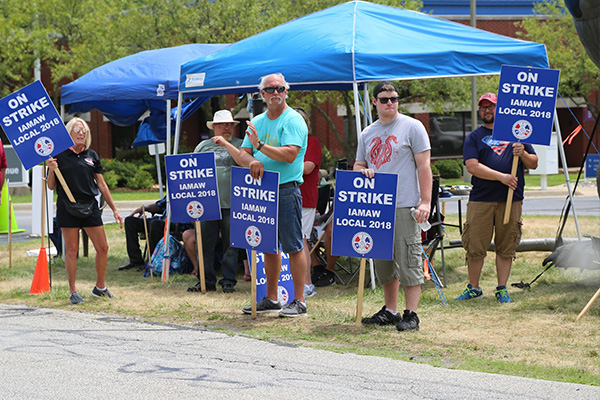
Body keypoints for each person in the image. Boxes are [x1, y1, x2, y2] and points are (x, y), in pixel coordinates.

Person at [355, 81, 432, 331]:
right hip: (377, 207)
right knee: (383, 262)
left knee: (409, 259)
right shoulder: (367, 133)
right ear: (374, 101)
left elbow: (424, 166)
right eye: (385, 99)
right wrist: (362, 170)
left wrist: (426, 201)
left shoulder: (413, 126)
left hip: (404, 205)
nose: (391, 103)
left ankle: (412, 314)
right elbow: (358, 165)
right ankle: (390, 311)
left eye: (395, 99)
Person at [234, 72, 308, 317]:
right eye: (270, 89)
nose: (275, 93)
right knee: (268, 247)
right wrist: (252, 160)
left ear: (286, 92)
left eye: (280, 89)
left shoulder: (293, 120)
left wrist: (259, 148)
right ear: (262, 94)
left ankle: (299, 301)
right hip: (262, 191)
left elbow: (289, 154)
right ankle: (272, 298)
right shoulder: (257, 120)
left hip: (286, 190)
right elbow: (243, 153)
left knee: (294, 246)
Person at [455, 92, 538, 303]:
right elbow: (472, 166)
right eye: (483, 107)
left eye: (491, 106)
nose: (487, 110)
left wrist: (524, 152)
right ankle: (473, 287)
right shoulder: (474, 137)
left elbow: (533, 163)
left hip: (511, 199)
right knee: (475, 244)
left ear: (499, 109)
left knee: (506, 244)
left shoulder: (516, 133)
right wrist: (502, 177)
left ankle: (502, 288)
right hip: (481, 199)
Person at [47, 117, 124, 305]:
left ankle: (100, 287)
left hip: (90, 207)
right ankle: (73, 290)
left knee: (103, 248)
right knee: (72, 250)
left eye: (84, 130)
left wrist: (115, 209)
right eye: (77, 130)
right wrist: (51, 169)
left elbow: (102, 184)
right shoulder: (58, 155)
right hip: (68, 207)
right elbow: (50, 186)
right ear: (69, 133)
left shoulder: (92, 155)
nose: (81, 133)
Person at [185, 109, 243, 293]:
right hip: (206, 204)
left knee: (231, 244)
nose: (227, 127)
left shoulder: (241, 144)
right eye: (223, 124)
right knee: (204, 244)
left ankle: (228, 280)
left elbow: (245, 164)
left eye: (230, 124)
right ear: (214, 127)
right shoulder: (203, 146)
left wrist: (226, 144)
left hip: (232, 203)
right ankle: (206, 280)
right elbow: (192, 174)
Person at [294, 108, 322, 298]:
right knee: (287, 241)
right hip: (283, 195)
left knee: (300, 239)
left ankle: (307, 284)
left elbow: (308, 167)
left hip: (304, 198)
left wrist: (281, 161)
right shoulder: (283, 142)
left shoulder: (312, 142)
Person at [119, 197, 167, 271]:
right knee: (130, 221)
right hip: (159, 221)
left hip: (174, 224)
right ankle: (135, 260)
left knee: (155, 224)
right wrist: (144, 208)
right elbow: (159, 206)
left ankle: (151, 261)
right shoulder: (171, 194)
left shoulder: (185, 194)